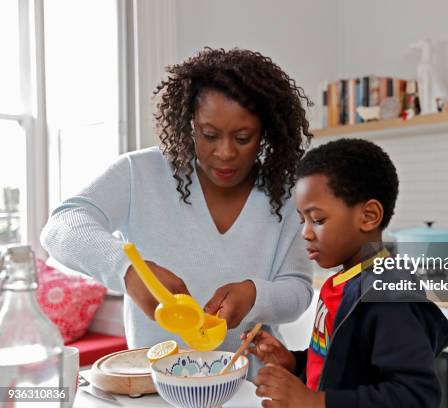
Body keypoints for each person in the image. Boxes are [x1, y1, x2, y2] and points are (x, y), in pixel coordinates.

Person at [40, 48, 314, 363]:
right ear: (189, 124)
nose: (224, 152)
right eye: (209, 135)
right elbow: (62, 226)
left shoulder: (287, 191)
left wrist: (255, 295)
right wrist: (127, 270)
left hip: (252, 388)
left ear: (266, 132)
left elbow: (298, 290)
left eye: (242, 138)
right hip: (153, 385)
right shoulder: (138, 173)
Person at [245, 138, 448, 407]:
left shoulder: (388, 295)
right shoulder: (344, 282)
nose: (305, 233)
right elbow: (340, 363)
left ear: (368, 216)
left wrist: (314, 402)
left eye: (318, 220)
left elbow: (415, 396)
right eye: (302, 220)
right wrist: (294, 361)